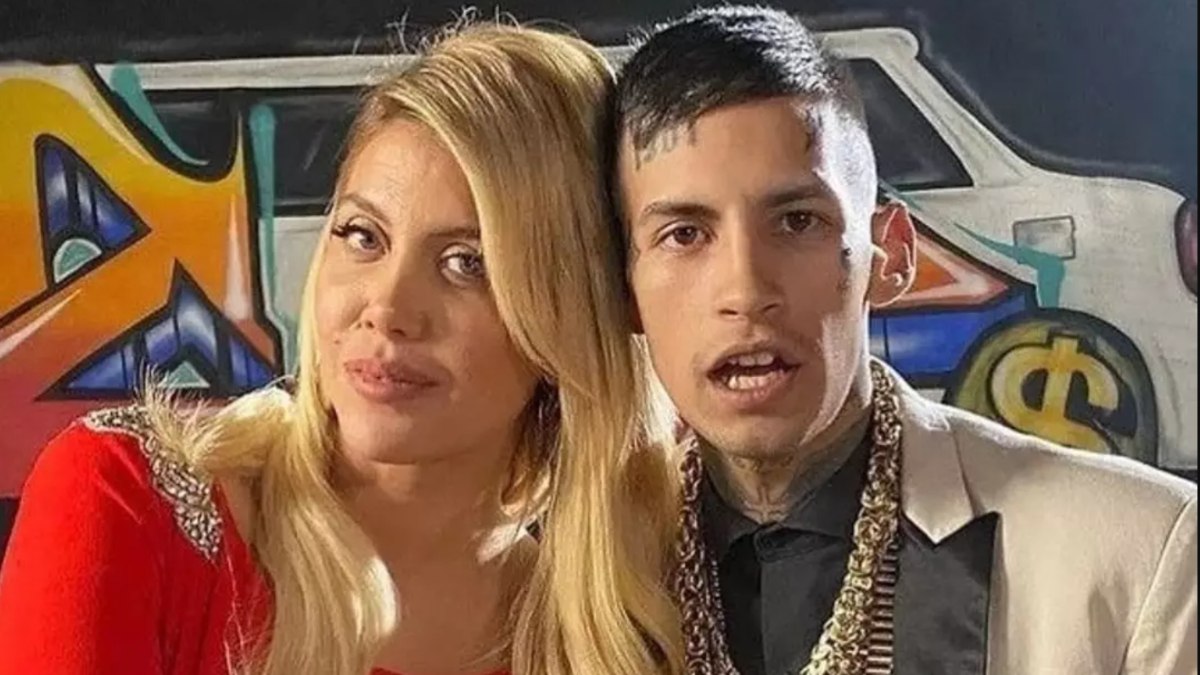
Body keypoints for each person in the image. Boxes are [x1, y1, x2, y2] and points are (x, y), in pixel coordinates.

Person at [0, 22, 681, 675]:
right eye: (363, 236)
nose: (386, 309)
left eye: (467, 263)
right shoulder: (125, 502)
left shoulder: (615, 637)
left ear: (573, 310)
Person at [606, 6, 1198, 674]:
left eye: (797, 221)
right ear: (624, 288)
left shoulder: (1138, 557)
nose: (744, 290)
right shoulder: (572, 576)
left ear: (889, 256)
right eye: (684, 234)